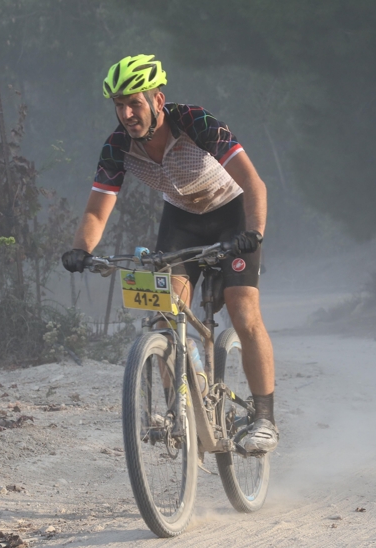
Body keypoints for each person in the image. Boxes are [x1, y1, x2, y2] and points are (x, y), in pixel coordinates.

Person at [61, 54, 278, 454]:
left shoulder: (195, 122)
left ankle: (265, 418)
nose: (127, 114)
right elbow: (96, 210)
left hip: (232, 215)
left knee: (243, 309)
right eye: (119, 105)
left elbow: (253, 183)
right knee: (165, 314)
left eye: (135, 103)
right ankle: (180, 410)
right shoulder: (117, 146)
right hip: (181, 221)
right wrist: (81, 250)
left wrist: (254, 234)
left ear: (157, 100)